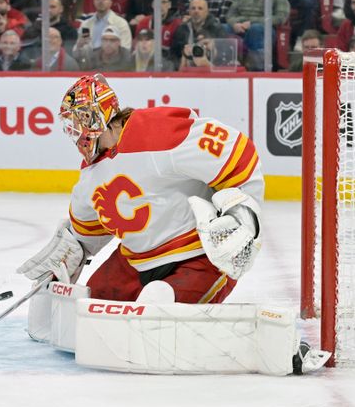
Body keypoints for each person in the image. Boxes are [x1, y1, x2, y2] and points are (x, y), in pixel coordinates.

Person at [18, 72, 263, 316]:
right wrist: (67, 254)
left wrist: (243, 216)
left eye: (78, 120)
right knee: (89, 310)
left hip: (199, 257)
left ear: (96, 115)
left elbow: (236, 152)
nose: (74, 132)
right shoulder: (91, 175)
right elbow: (86, 233)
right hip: (136, 262)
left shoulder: (158, 131)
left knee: (156, 307)